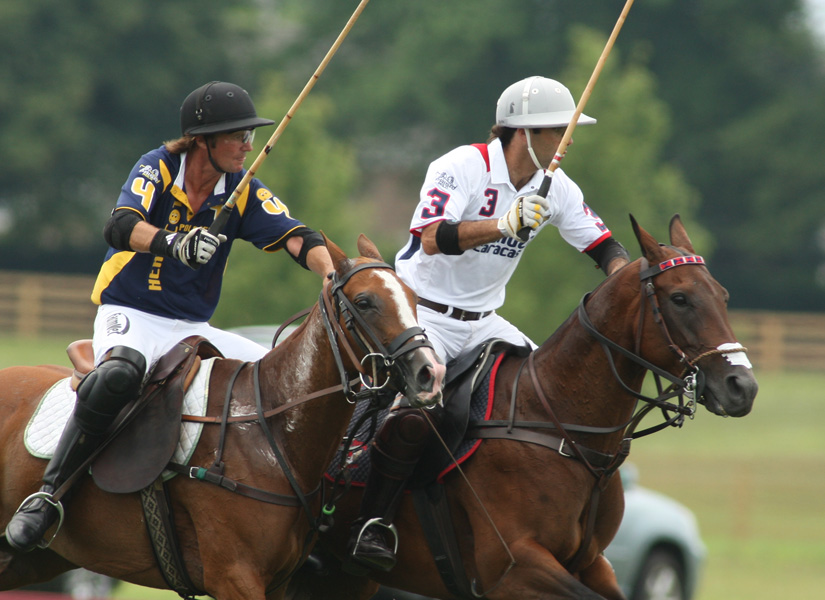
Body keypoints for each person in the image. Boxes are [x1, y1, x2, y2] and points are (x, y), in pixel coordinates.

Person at [5, 81, 334, 553]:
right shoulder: (157, 167)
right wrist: (173, 243)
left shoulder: (241, 190)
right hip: (130, 311)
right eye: (237, 135)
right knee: (120, 374)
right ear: (203, 141)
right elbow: (119, 225)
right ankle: (47, 495)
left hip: (192, 325)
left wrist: (331, 276)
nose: (247, 145)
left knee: (282, 379)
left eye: (250, 136)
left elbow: (298, 236)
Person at [346, 76, 630, 571]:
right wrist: (505, 224)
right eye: (558, 130)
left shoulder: (556, 187)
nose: (568, 140)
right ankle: (374, 522)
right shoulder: (460, 167)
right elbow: (432, 237)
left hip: (485, 322)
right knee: (414, 411)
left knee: (551, 395)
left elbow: (606, 248)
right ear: (523, 132)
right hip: (421, 314)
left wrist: (631, 284)